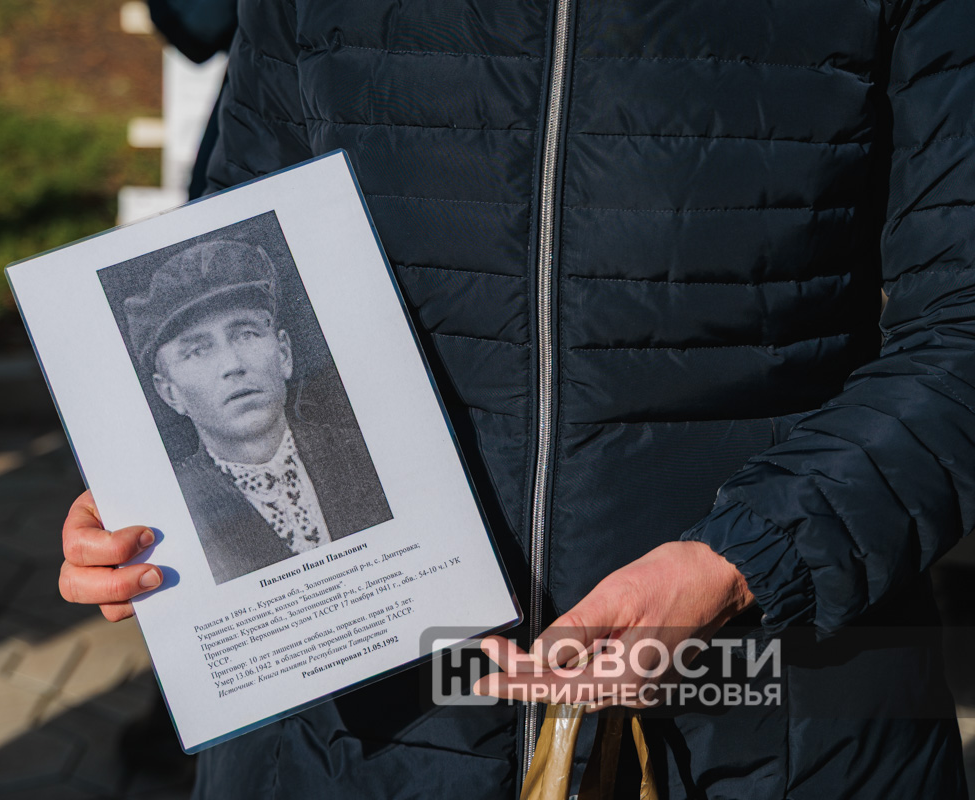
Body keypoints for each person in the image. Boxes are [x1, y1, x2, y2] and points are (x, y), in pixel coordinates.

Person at [59, 1, 975, 797]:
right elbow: (244, 230)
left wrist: (752, 558)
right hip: (360, 738)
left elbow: (962, 329)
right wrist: (162, 503)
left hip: (764, 710)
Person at [122, 239, 392, 583]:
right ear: (170, 393)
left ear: (283, 354)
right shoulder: (166, 513)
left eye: (246, 334)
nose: (232, 365)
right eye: (198, 351)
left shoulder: (368, 453)